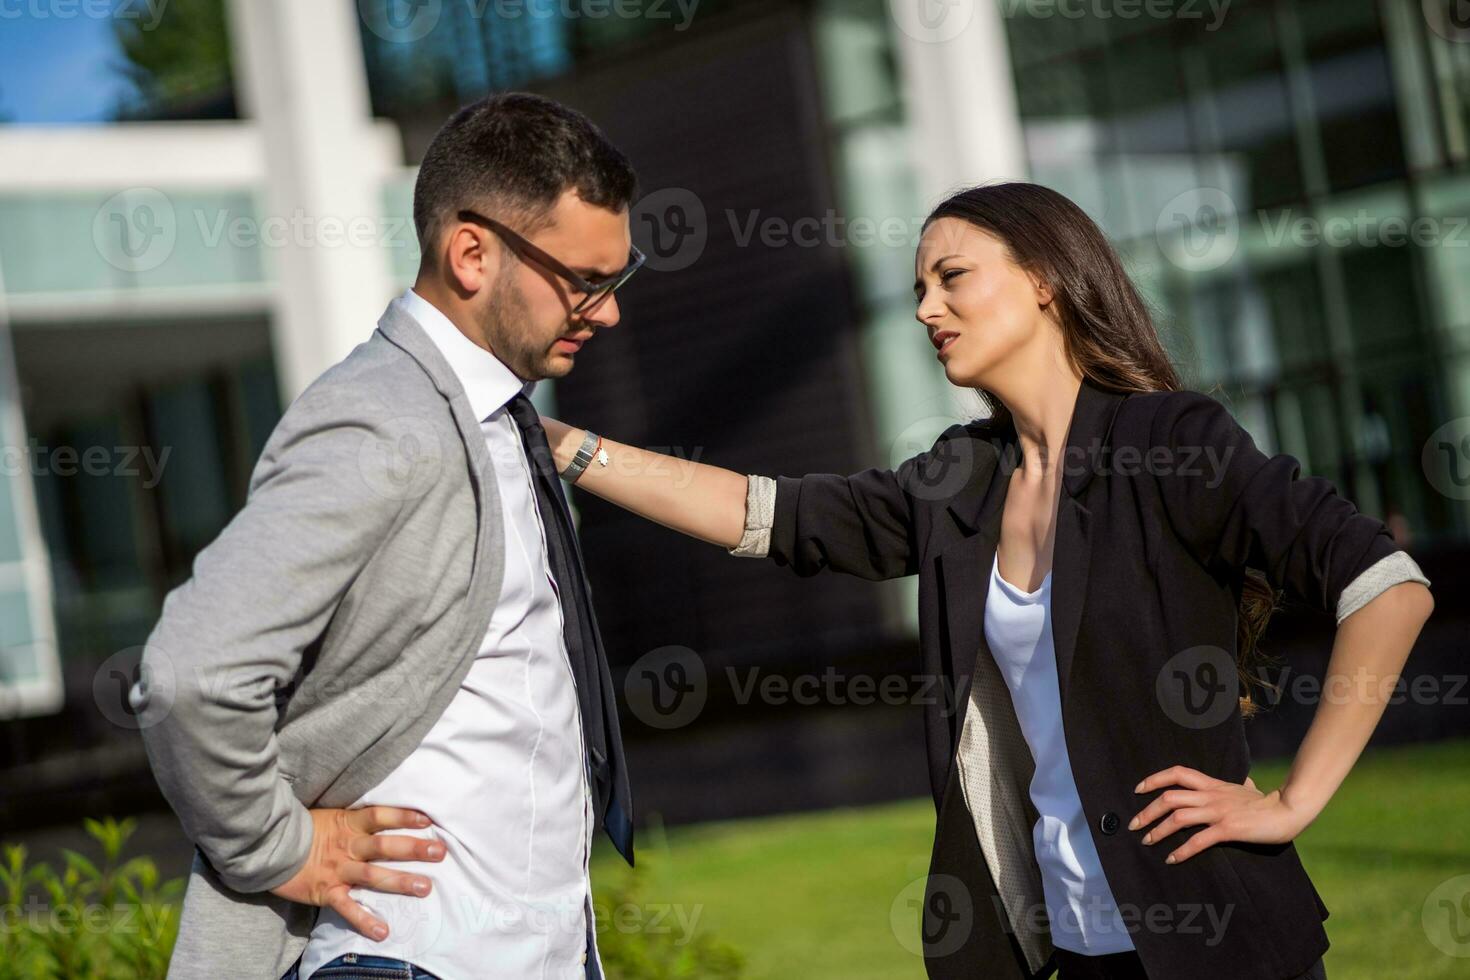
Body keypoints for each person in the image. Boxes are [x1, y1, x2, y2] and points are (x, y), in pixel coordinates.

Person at [536, 182, 1435, 979]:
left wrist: (1289, 802)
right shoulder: (960, 479)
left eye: (951, 278)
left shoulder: (1171, 442)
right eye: (918, 290)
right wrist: (564, 447)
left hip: (1219, 945)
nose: (927, 309)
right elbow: (763, 513)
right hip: (1071, 950)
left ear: (1044, 278)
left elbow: (1387, 586)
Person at [131, 92, 646, 980]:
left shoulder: (503, 423)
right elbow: (194, 673)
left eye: (617, 279)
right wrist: (278, 850)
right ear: (473, 253)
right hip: (409, 959)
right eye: (585, 282)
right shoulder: (379, 419)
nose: (607, 313)